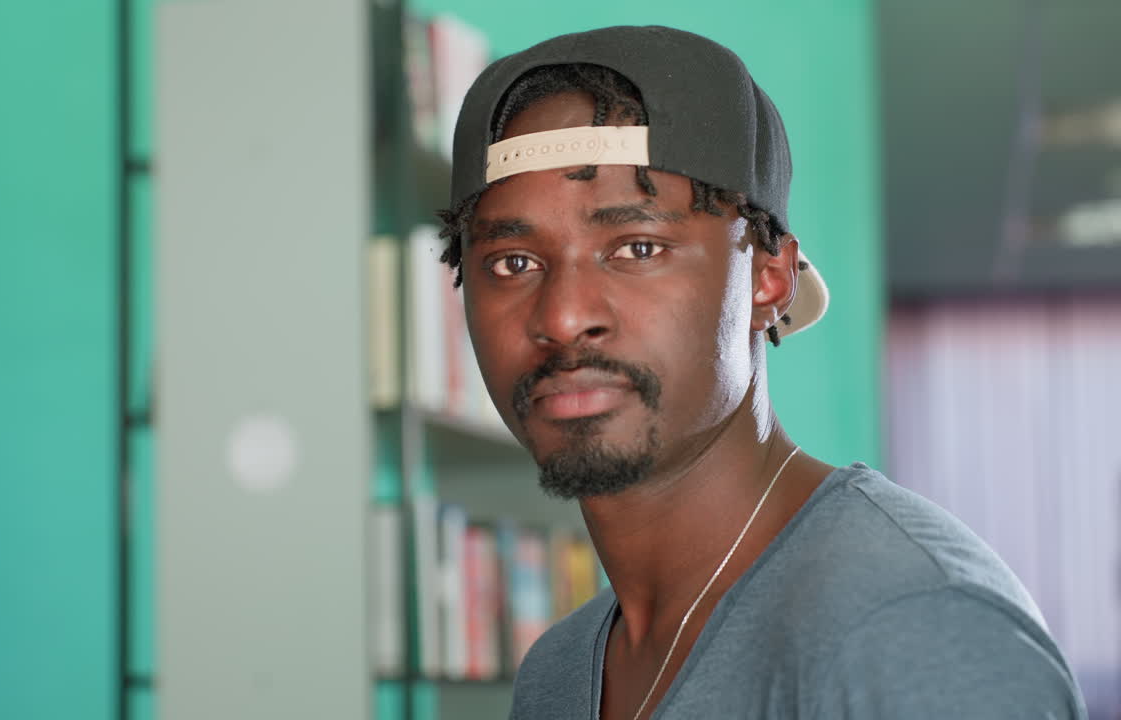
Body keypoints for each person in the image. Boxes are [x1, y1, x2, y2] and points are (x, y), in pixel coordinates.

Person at [435, 25, 1086, 720]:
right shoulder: (557, 675)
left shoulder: (910, 627)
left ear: (768, 277)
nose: (563, 317)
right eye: (513, 263)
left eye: (637, 246)